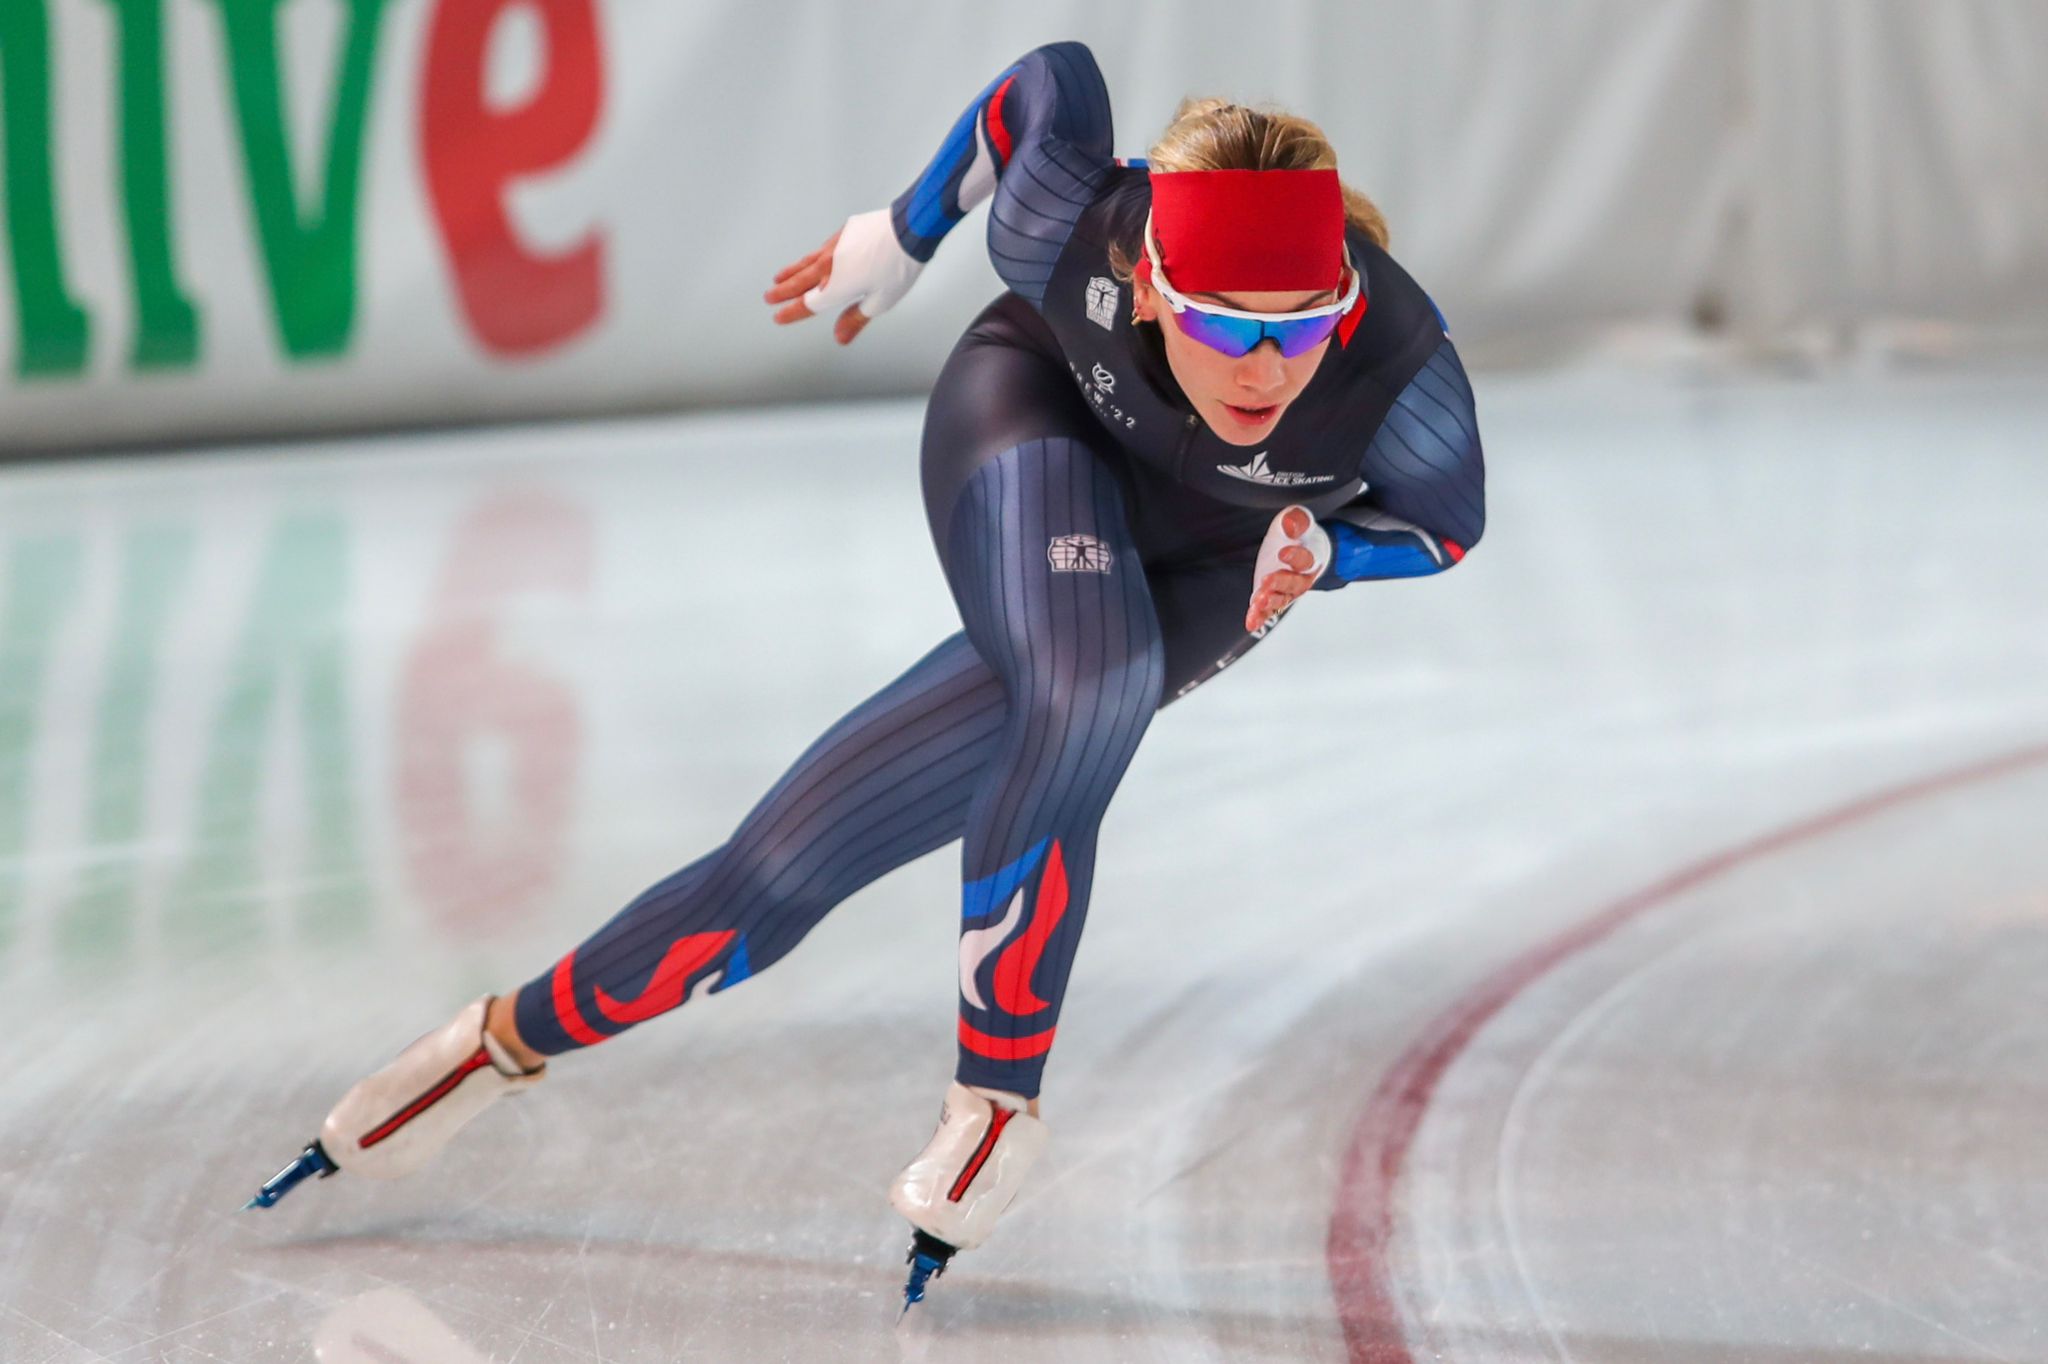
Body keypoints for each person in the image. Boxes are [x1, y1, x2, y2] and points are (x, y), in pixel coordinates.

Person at [249, 41, 1485, 1310]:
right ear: (1154, 288)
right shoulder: (1073, 232)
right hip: (1036, 423)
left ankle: (489, 1046)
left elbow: (1446, 528)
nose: (1263, 368)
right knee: (1087, 687)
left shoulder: (1397, 369)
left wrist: (1329, 548)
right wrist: (901, 233)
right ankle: (996, 1101)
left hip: (1221, 561)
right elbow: (1046, 84)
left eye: (1299, 327)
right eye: (1225, 321)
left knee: (775, 876)